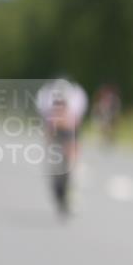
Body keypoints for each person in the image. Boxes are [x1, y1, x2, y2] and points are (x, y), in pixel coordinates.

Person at [36, 77, 88, 213]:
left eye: (62, 103)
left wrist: (74, 150)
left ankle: (72, 187)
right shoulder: (46, 101)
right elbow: (47, 127)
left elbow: (76, 127)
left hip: (70, 130)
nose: (60, 106)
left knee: (72, 161)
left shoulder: (76, 101)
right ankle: (58, 185)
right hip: (55, 130)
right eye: (57, 103)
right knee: (54, 164)